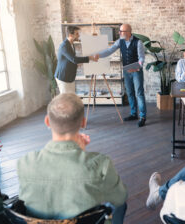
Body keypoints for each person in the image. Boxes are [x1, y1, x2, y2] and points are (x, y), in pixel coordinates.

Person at [17, 93, 128, 223]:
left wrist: (78, 152)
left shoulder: (25, 163)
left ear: (47, 121)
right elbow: (120, 197)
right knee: (119, 205)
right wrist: (82, 155)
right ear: (83, 122)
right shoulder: (100, 165)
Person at [97, 24, 147, 127]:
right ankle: (133, 114)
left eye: (121, 31)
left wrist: (138, 66)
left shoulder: (138, 42)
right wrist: (99, 55)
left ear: (128, 32)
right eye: (120, 31)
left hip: (136, 71)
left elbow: (141, 58)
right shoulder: (120, 41)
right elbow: (109, 50)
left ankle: (142, 116)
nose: (119, 33)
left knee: (139, 93)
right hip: (126, 71)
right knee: (130, 93)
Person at [54, 26, 99, 94]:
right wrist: (89, 58)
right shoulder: (64, 46)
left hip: (69, 77)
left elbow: (70, 60)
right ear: (70, 35)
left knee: (71, 98)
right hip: (63, 77)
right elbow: (74, 59)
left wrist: (77, 64)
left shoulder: (71, 44)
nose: (78, 35)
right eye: (77, 34)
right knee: (66, 99)